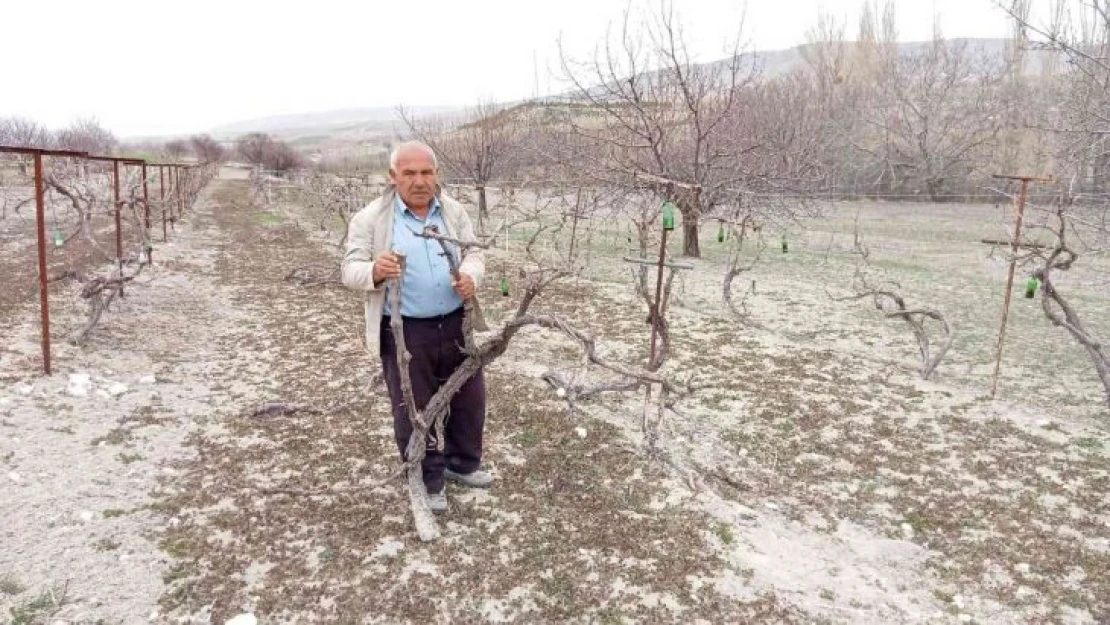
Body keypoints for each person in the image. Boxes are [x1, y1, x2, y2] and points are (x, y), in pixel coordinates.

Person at [340, 141, 492, 514]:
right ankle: (428, 480)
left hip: (458, 324)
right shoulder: (371, 219)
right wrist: (375, 271)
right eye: (409, 173)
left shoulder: (452, 212)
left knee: (469, 401)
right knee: (414, 408)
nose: (419, 181)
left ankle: (462, 464)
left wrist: (471, 275)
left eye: (426, 172)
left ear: (436, 174)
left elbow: (474, 251)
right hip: (406, 332)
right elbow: (349, 269)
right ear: (393, 178)